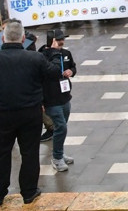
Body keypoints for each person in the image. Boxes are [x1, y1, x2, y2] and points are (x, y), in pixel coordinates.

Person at [0, 19, 62, 205]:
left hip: (2, 114)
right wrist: (53, 51)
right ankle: (28, 191)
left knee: (2, 153)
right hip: (30, 113)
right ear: (22, 38)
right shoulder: (35, 58)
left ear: (3, 38)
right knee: (29, 152)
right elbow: (55, 73)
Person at [39, 30, 76, 172]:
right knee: (61, 127)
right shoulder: (42, 56)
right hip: (51, 99)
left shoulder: (66, 54)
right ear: (52, 40)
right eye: (59, 39)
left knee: (62, 127)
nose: (62, 42)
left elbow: (73, 66)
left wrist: (71, 71)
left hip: (65, 97)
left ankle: (58, 152)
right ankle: (57, 157)